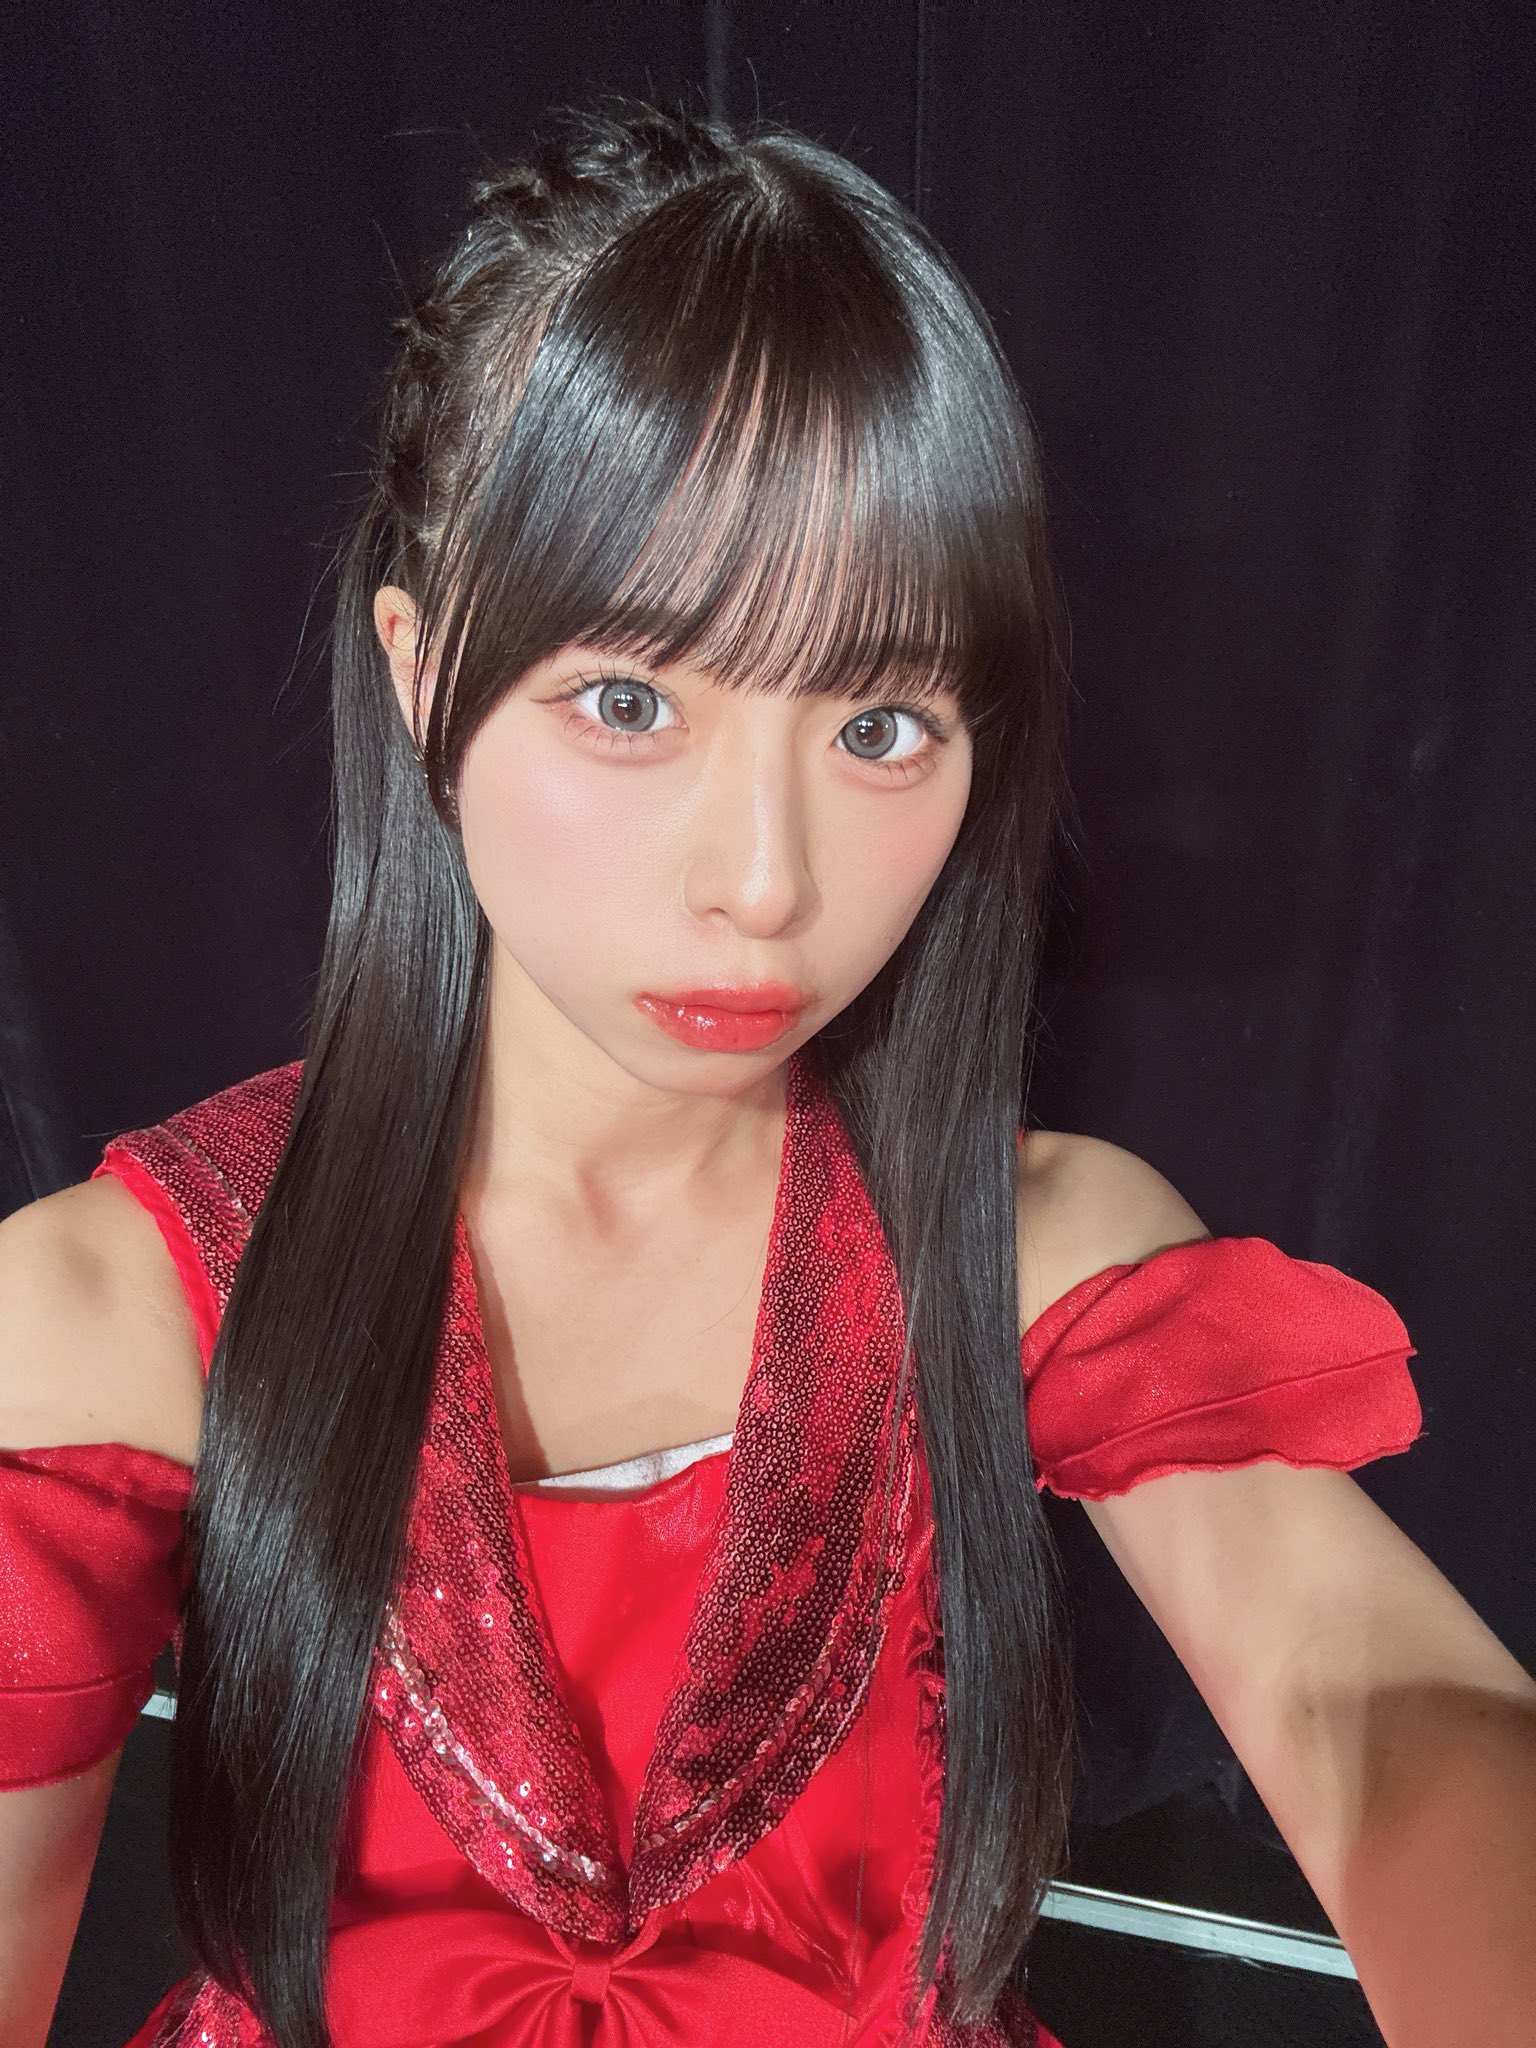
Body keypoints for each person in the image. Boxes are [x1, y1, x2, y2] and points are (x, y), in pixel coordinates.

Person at [0, 96, 1532, 2048]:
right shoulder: (119, 1310)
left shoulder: (1024, 1242)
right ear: (419, 668)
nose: (766, 882)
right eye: (628, 698)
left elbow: (1368, 1693)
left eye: (880, 725)